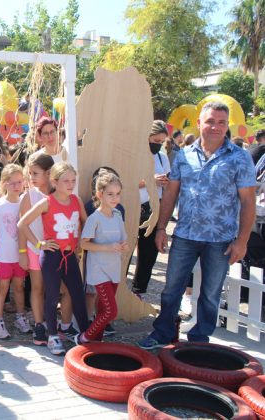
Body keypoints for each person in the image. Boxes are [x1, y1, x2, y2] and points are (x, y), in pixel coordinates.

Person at [138, 102, 256, 349]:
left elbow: (247, 201)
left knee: (211, 294)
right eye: (210, 121)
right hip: (185, 235)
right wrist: (161, 228)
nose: (215, 127)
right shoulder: (183, 155)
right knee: (171, 289)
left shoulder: (240, 158)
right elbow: (170, 193)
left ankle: (199, 340)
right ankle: (163, 333)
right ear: (200, 123)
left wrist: (242, 240)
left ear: (227, 126)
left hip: (221, 239)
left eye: (221, 122)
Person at [18, 162, 89, 356]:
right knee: (51, 296)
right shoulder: (47, 202)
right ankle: (52, 336)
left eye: (73, 180)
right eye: (66, 180)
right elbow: (22, 223)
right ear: (54, 181)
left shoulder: (76, 200)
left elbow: (86, 221)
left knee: (77, 294)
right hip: (51, 256)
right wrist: (39, 244)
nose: (70, 184)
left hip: (70, 255)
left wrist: (82, 243)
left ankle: (87, 336)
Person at [77, 171, 128, 344]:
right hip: (99, 270)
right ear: (100, 194)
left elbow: (122, 238)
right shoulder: (94, 218)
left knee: (103, 309)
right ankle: (84, 337)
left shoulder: (118, 215)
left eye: (118, 194)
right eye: (110, 194)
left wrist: (124, 245)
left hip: (114, 268)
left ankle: (95, 342)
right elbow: (84, 244)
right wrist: (107, 247)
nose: (115, 198)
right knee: (111, 312)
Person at [0, 164, 30, 339]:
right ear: (5, 183)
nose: (16, 186)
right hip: (3, 255)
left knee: (19, 287)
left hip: (20, 255)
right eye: (12, 182)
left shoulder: (25, 203)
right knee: (3, 286)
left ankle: (20, 317)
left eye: (19, 182)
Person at [131, 120, 171, 297]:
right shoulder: (133, 154)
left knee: (148, 253)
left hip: (155, 207)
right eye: (155, 141)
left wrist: (164, 182)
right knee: (127, 249)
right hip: (134, 206)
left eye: (161, 142)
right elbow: (124, 182)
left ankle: (139, 290)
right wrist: (148, 181)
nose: (158, 145)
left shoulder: (162, 157)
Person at [18, 153, 54, 346]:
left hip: (54, 250)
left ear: (48, 173)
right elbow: (22, 226)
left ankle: (52, 321)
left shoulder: (59, 193)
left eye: (35, 173)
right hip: (34, 248)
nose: (31, 177)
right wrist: (22, 252)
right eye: (29, 173)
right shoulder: (29, 196)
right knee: (37, 287)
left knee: (53, 288)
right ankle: (39, 324)